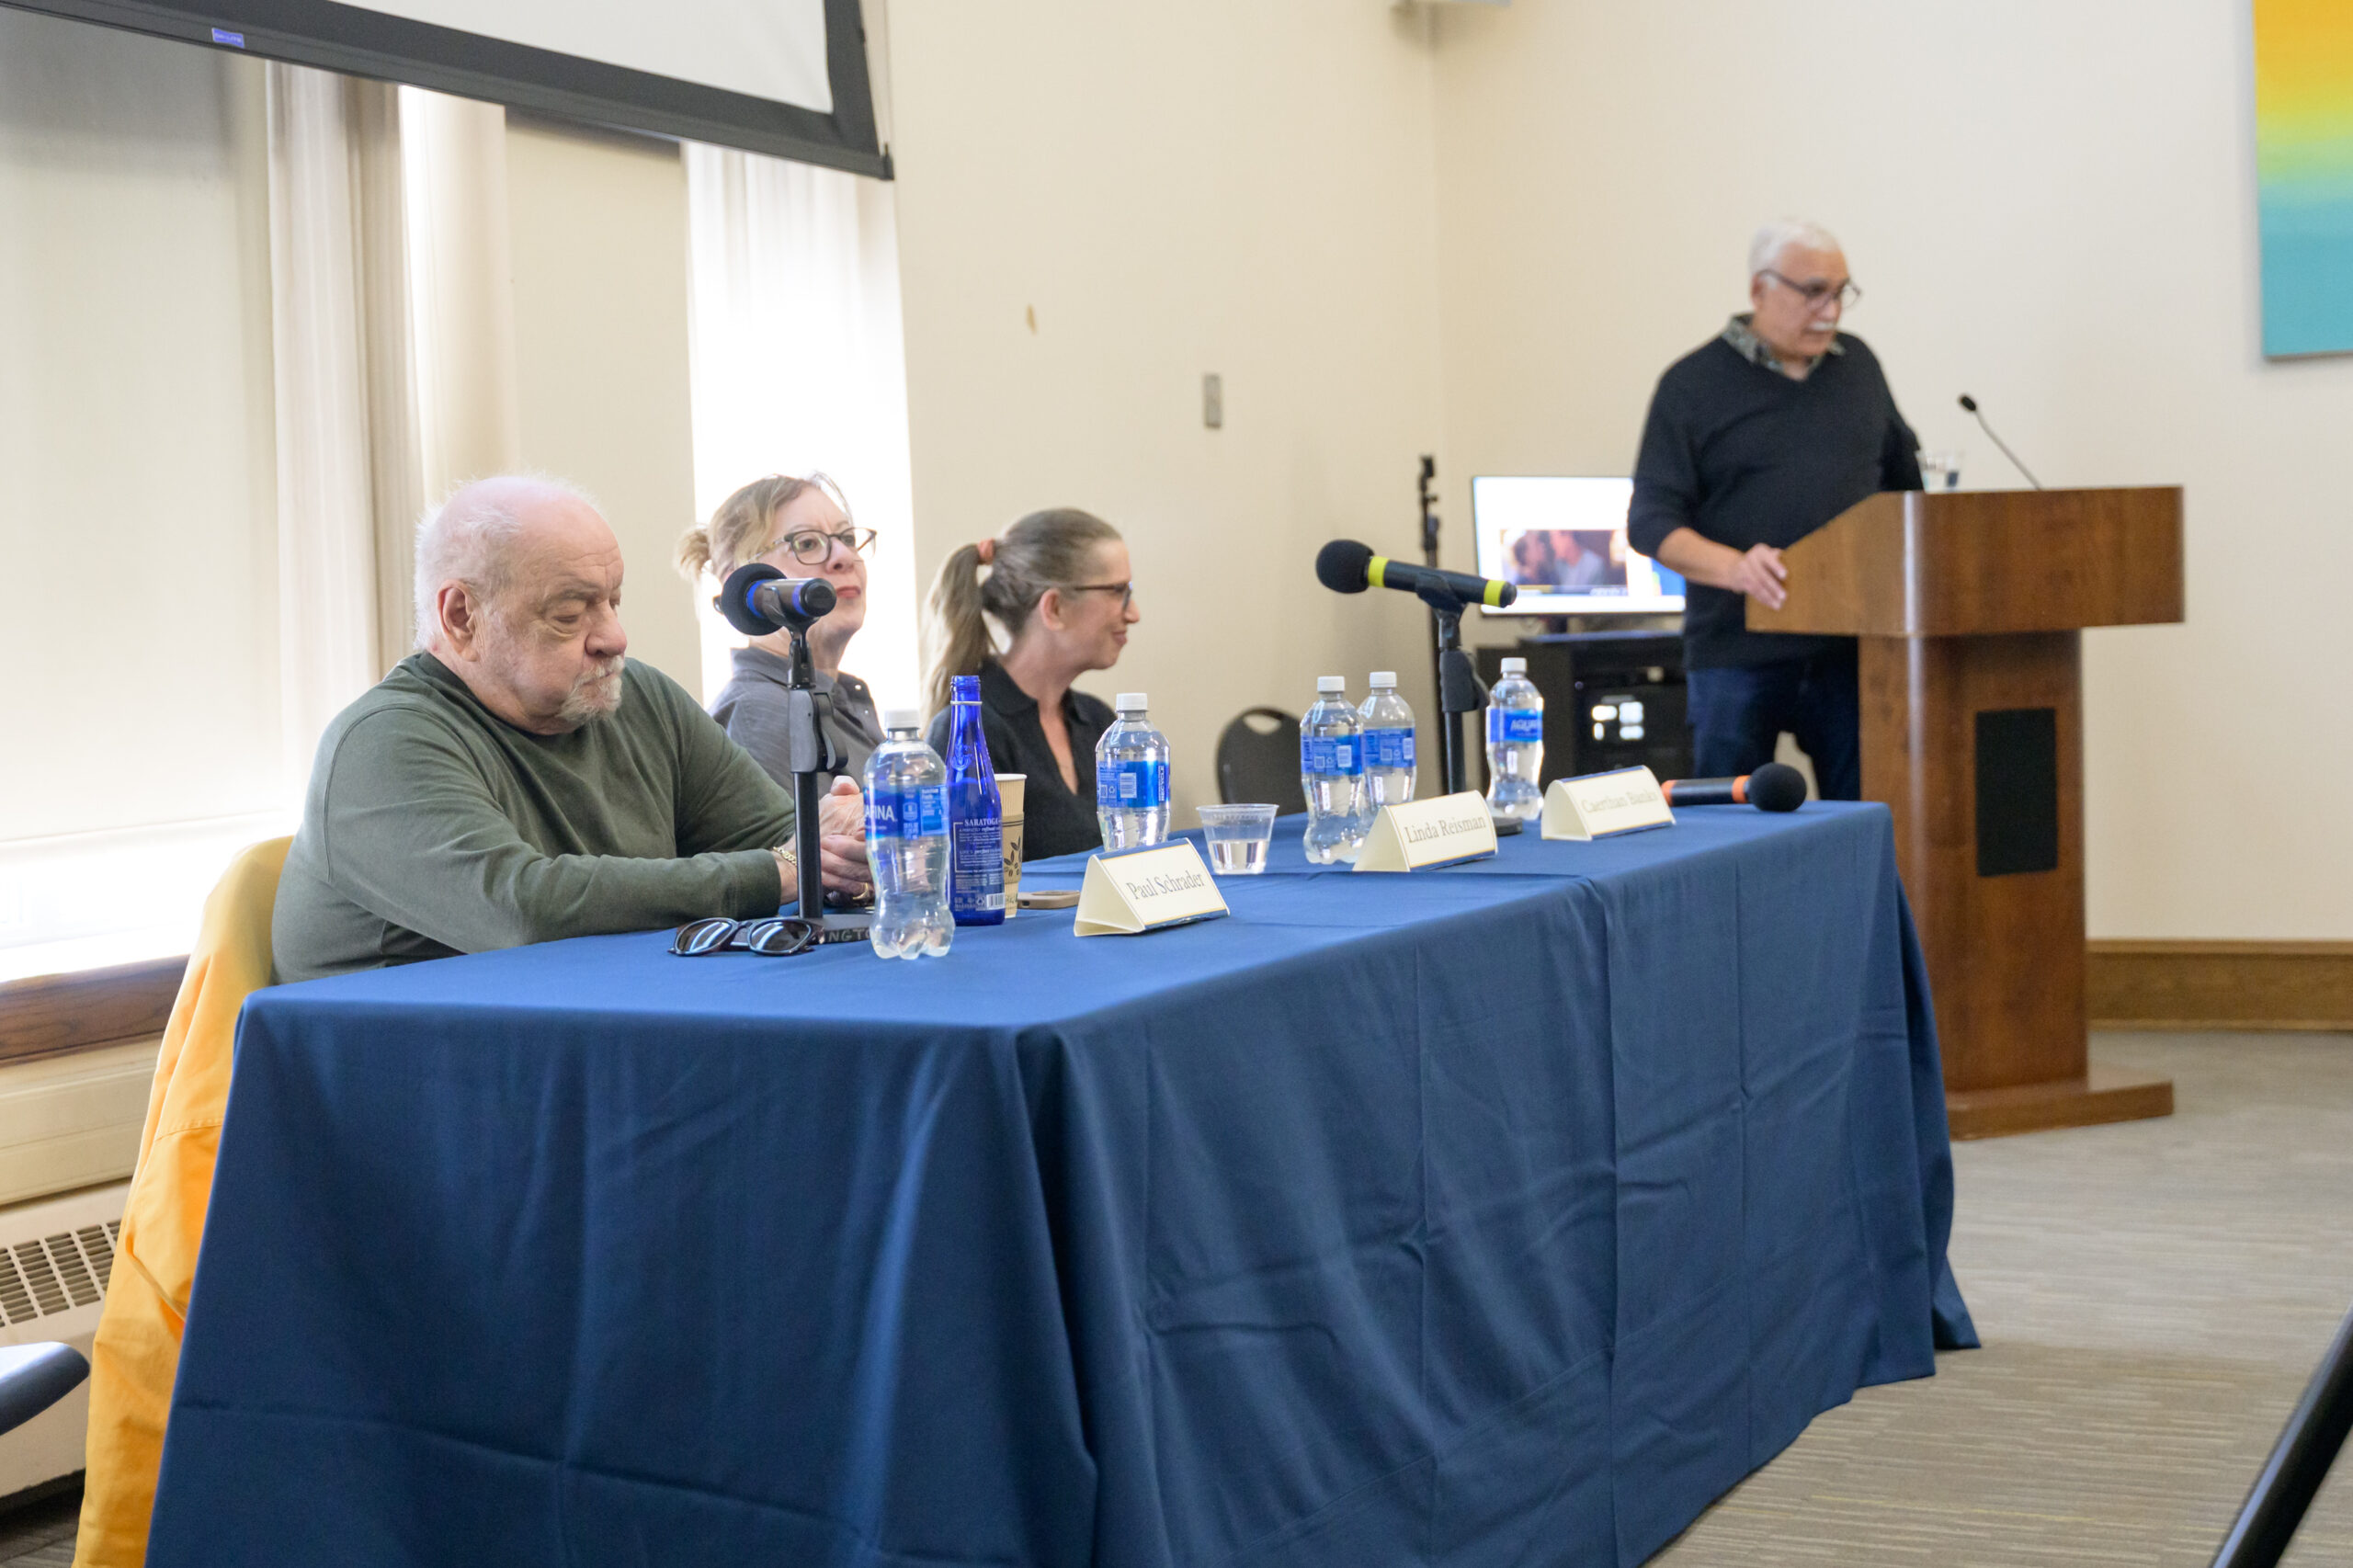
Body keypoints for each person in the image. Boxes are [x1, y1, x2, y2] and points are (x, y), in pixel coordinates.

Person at [271, 475, 870, 983]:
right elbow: (521, 908)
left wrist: (849, 846)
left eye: (613, 601)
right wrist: (782, 871)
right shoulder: (381, 744)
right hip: (426, 1067)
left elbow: (784, 837)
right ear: (461, 618)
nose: (614, 636)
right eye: (569, 613)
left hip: (590, 1034)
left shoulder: (641, 698)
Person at [1626, 218, 1922, 801]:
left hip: (1851, 649)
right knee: (1727, 823)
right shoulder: (1691, 385)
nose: (1830, 311)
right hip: (1737, 648)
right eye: (1813, 292)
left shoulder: (1859, 367)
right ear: (1759, 289)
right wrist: (1736, 568)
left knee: (1865, 819)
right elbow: (1651, 522)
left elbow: (1905, 492)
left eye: (1840, 293)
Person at [923, 508, 1139, 862]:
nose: (1133, 614)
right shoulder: (969, 732)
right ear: (1054, 608)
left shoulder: (1100, 722)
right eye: (1118, 592)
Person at [677, 472, 884, 796]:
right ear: (743, 582)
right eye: (807, 543)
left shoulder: (835, 698)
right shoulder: (759, 715)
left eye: (846, 538)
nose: (845, 557)